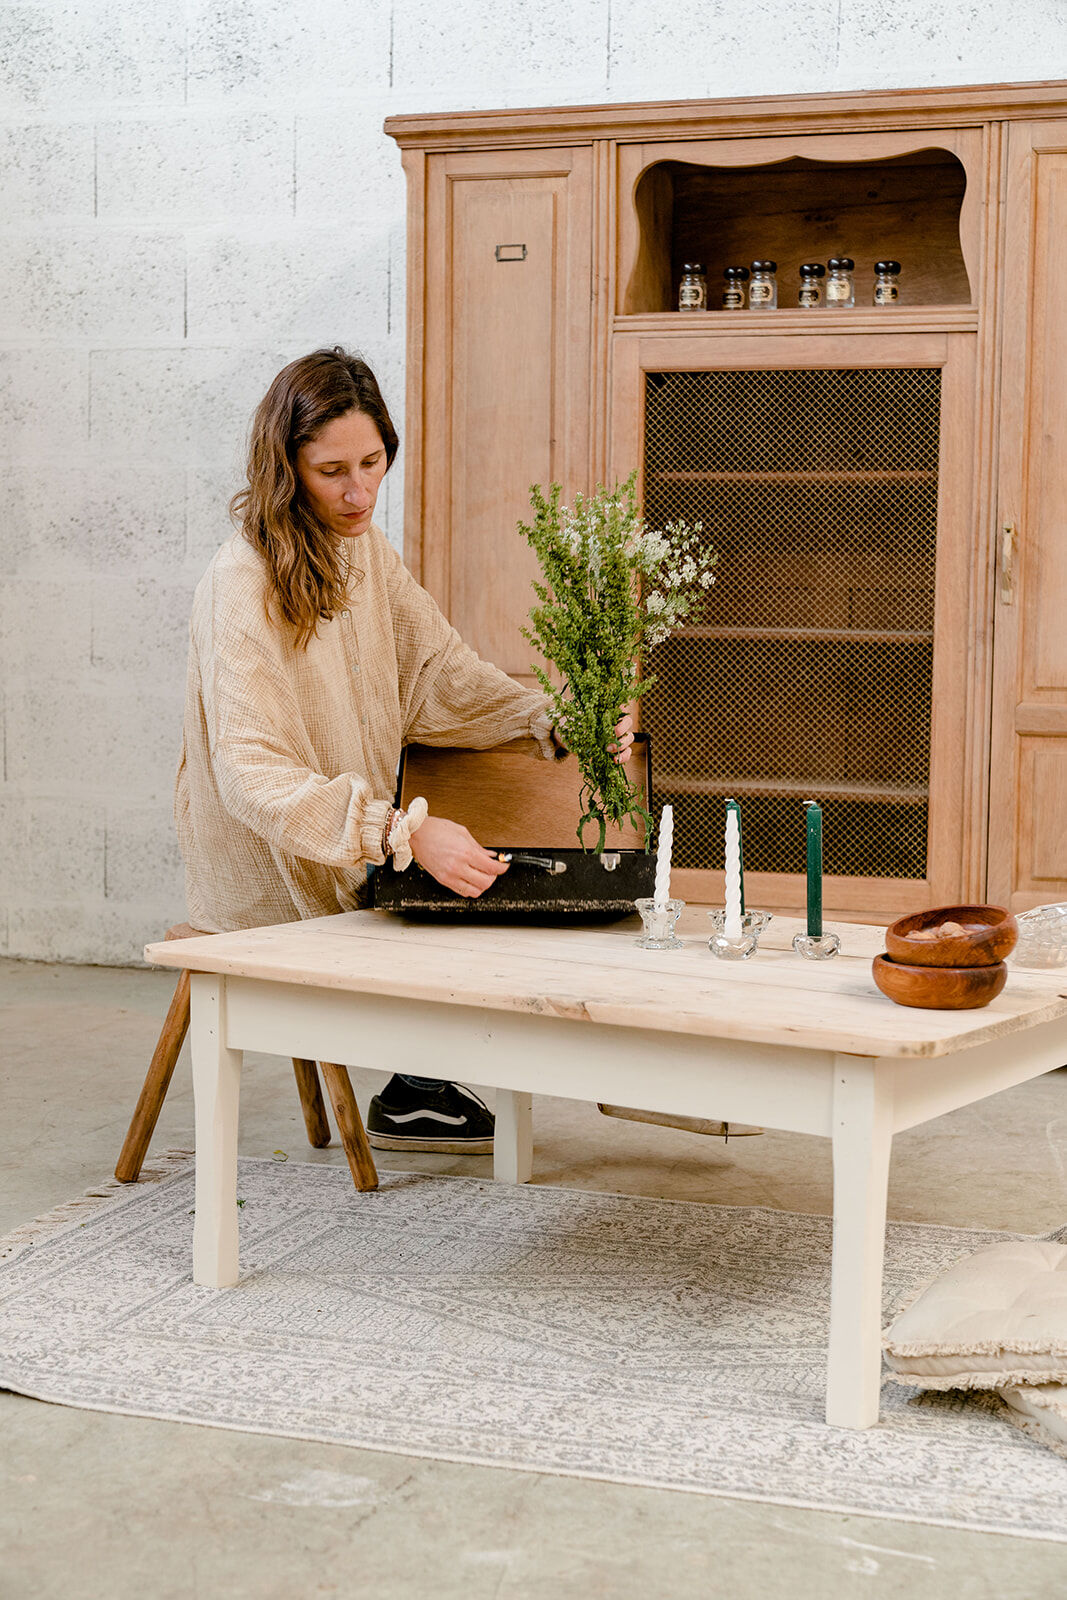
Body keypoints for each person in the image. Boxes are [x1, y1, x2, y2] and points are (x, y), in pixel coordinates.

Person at [175, 346, 633, 1154]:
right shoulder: (239, 584)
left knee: (536, 876)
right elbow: (250, 777)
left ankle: (429, 1079)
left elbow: (436, 677)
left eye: (373, 462)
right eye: (330, 472)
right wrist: (397, 832)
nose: (359, 493)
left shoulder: (364, 552)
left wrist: (554, 717)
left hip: (358, 842)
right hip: (268, 872)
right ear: (284, 469)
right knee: (474, 869)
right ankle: (418, 1079)